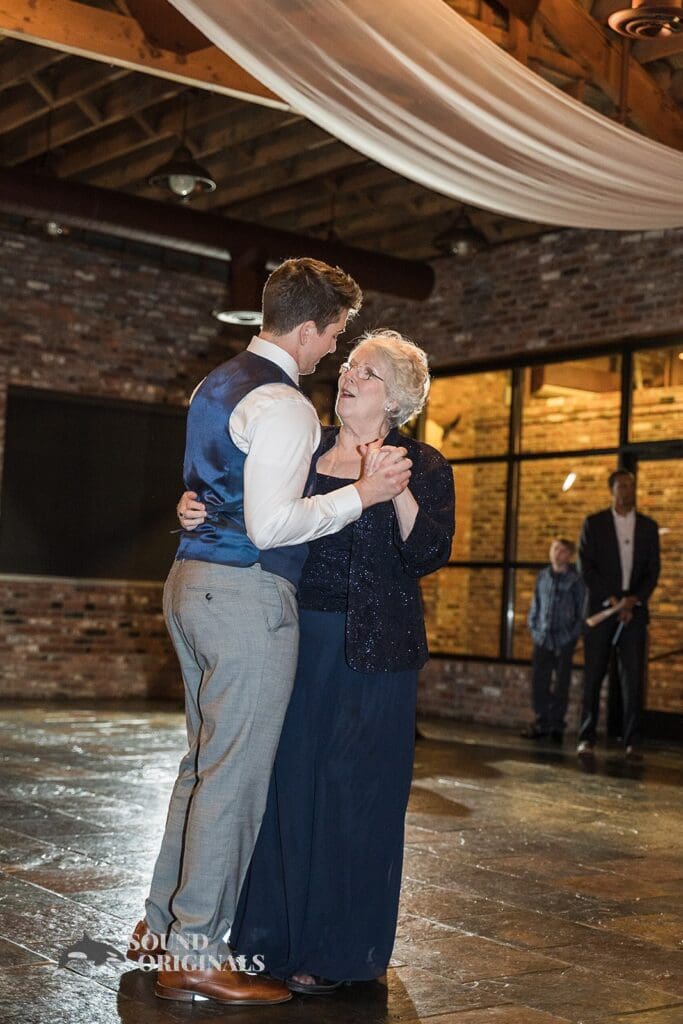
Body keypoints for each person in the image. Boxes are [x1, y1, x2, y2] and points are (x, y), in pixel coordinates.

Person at [129, 259, 413, 1007]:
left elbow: (213, 491)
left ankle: (161, 927)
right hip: (246, 596)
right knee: (233, 780)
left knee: (201, 769)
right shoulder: (284, 406)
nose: (333, 354)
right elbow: (272, 524)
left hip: (191, 583)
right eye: (335, 337)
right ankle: (192, 953)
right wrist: (359, 495)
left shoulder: (216, 383)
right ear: (312, 326)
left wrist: (192, 512)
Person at [179, 328, 455, 994]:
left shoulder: (422, 462)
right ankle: (267, 943)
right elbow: (251, 516)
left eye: (368, 372)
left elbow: (427, 554)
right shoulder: (302, 452)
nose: (349, 374)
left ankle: (339, 952)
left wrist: (392, 487)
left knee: (355, 799)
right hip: (291, 641)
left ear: (400, 398)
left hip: (377, 654)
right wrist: (194, 513)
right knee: (285, 789)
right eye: (350, 363)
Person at [577, 469, 660, 761]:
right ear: (611, 490)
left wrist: (632, 601)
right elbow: (586, 567)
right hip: (601, 610)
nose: (628, 490)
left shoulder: (649, 527)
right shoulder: (594, 524)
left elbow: (653, 571)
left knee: (633, 679)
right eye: (622, 486)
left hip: (633, 613)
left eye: (631, 486)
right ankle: (586, 737)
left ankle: (632, 741)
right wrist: (612, 599)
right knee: (594, 675)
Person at [522, 538, 585, 743]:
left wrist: (572, 634)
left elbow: (581, 611)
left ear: (570, 555)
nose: (558, 553)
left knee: (561, 683)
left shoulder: (576, 580)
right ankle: (542, 721)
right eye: (555, 548)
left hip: (564, 639)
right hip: (542, 637)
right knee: (539, 681)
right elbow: (536, 604)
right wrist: (533, 626)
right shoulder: (543, 576)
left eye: (563, 550)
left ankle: (557, 724)